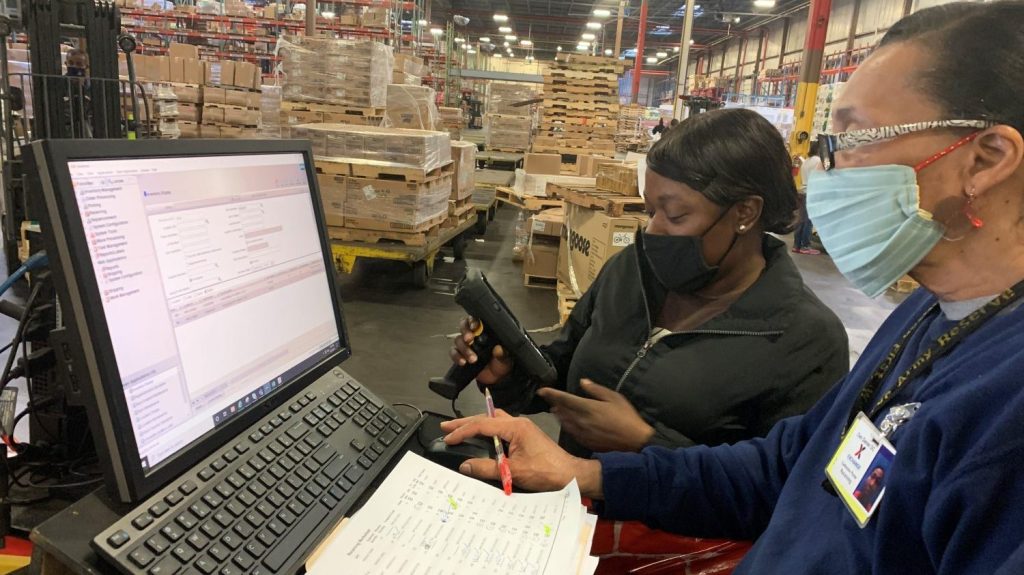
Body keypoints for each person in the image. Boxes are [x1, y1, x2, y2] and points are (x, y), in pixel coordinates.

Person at [442, 2, 1024, 572]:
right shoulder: (929, 314)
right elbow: (786, 468)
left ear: (986, 158)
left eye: (851, 141)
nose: (827, 170)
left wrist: (645, 442)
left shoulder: (1001, 403)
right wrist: (590, 472)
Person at [451, 108, 849, 460]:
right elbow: (566, 367)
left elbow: (783, 484)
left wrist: (646, 443)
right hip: (573, 517)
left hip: (678, 542)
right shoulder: (632, 270)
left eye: (674, 215)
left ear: (744, 212)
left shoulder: (806, 339)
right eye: (650, 210)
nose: (652, 231)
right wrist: (508, 375)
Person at [793, 142, 822, 254]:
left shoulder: (806, 161)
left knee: (800, 220)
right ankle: (805, 246)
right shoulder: (819, 161)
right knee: (808, 221)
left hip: (802, 191)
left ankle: (797, 245)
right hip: (811, 192)